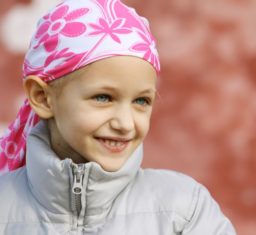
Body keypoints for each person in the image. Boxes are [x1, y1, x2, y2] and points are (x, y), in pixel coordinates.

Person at [0, 0, 236, 234]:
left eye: (141, 101)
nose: (125, 124)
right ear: (42, 97)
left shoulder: (184, 211)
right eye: (103, 98)